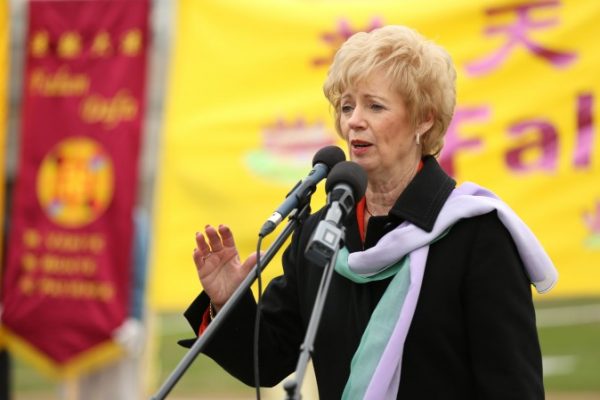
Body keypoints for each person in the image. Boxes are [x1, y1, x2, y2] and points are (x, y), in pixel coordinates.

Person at [183, 25, 558, 399]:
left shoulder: (476, 235)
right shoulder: (322, 233)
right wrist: (227, 302)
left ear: (424, 119)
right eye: (347, 106)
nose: (353, 121)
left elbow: (513, 387)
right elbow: (269, 360)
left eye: (374, 106)